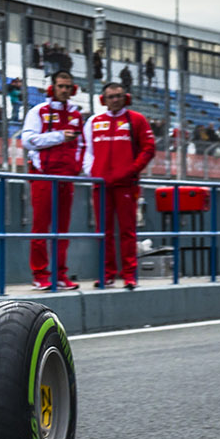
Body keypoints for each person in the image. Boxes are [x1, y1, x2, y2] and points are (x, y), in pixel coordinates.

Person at [83, 82, 156, 289]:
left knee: (128, 231)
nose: (115, 100)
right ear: (103, 100)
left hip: (127, 185)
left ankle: (129, 275)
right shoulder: (94, 121)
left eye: (118, 96)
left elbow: (149, 149)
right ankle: (107, 274)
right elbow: (87, 151)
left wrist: (132, 170)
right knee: (103, 232)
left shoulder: (137, 120)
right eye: (111, 96)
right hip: (101, 186)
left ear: (126, 97)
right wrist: (93, 173)